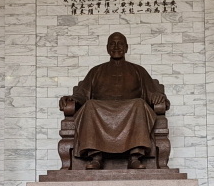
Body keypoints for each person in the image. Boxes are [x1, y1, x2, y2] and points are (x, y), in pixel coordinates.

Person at [61, 32, 170, 169]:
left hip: (131, 108)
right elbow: (82, 94)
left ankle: (135, 156)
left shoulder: (138, 70)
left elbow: (151, 92)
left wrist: (158, 97)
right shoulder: (96, 71)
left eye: (120, 44)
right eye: (112, 44)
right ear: (107, 48)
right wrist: (72, 99)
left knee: (139, 104)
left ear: (126, 48)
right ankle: (96, 156)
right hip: (100, 109)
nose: (116, 47)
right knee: (90, 105)